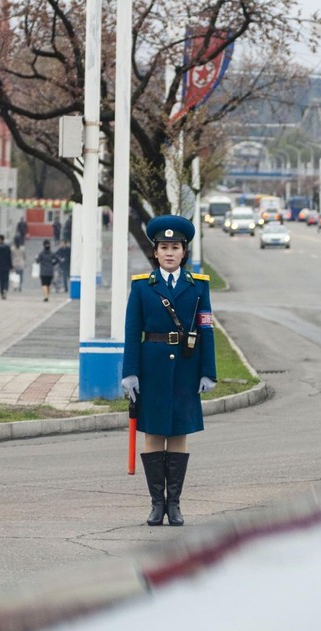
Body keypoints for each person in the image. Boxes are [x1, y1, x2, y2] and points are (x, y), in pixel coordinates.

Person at [121, 215, 217, 527]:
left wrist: (208, 371)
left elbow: (207, 329)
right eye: (164, 247)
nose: (170, 253)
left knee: (178, 433)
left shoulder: (198, 287)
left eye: (175, 247)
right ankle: (155, 504)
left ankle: (174, 504)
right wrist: (130, 372)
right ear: (156, 252)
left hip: (187, 368)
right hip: (152, 368)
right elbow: (132, 331)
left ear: (184, 252)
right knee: (154, 433)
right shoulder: (142, 287)